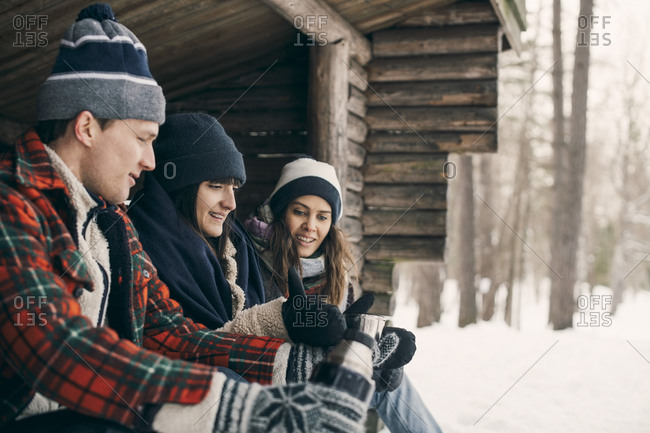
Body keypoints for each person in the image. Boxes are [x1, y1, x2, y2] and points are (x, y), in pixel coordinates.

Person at [0, 5, 371, 432]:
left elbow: (171, 335)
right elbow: (53, 346)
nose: (151, 160)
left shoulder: (112, 225)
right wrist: (235, 408)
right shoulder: (14, 206)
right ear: (87, 128)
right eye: (142, 139)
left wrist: (304, 363)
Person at [246, 157, 444, 433]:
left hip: (325, 380)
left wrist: (367, 347)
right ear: (280, 211)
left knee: (391, 382)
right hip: (272, 384)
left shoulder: (335, 270)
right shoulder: (250, 258)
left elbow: (339, 339)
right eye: (300, 212)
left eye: (322, 217)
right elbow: (243, 333)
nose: (310, 226)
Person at [129, 112, 345, 346]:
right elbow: (184, 346)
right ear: (180, 187)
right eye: (215, 186)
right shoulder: (140, 249)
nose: (231, 204)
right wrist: (283, 322)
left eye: (234, 188)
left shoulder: (238, 249)